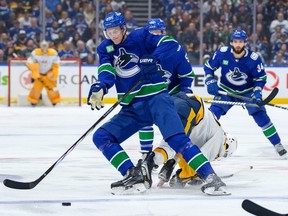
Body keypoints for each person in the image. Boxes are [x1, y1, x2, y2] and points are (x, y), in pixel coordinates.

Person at [88, 12, 229, 196]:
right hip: (133, 107)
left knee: (178, 140)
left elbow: (169, 43)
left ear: (124, 28)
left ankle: (211, 178)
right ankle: (133, 174)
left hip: (157, 99)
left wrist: (154, 58)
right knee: (101, 136)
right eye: (109, 32)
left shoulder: (140, 36)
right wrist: (101, 85)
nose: (113, 35)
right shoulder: (104, 48)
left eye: (116, 30)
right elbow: (106, 68)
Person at [204, 29, 287, 158]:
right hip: (226, 91)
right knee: (211, 116)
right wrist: (209, 79)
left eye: (241, 42)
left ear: (245, 43)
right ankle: (203, 144)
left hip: (247, 93)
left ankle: (277, 144)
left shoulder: (253, 59)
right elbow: (209, 67)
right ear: (231, 42)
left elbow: (260, 78)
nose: (238, 44)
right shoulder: (222, 53)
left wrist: (257, 92)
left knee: (261, 116)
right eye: (235, 41)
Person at [150, 92, 238, 188]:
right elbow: (200, 161)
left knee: (174, 143)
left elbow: (183, 148)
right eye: (224, 154)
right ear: (227, 146)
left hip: (177, 100)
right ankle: (148, 164)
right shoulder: (219, 143)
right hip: (190, 110)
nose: (219, 157)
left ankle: (149, 163)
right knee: (170, 147)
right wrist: (181, 177)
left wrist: (171, 164)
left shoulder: (214, 131)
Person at [138, 18, 194, 158]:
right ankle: (146, 155)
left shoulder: (174, 49)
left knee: (175, 126)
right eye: (152, 33)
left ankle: (173, 155)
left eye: (159, 32)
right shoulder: (139, 51)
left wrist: (185, 89)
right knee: (143, 118)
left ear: (164, 32)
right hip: (150, 93)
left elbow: (186, 74)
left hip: (171, 94)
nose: (155, 35)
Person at [26, 40, 61, 106]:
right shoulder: (35, 52)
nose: (44, 47)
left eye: (45, 45)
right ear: (40, 46)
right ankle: (33, 101)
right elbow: (30, 61)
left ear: (48, 46)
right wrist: (32, 68)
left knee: (52, 89)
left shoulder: (53, 53)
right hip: (39, 75)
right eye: (43, 45)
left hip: (49, 75)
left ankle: (55, 101)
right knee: (36, 89)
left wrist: (54, 74)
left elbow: (56, 64)